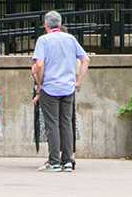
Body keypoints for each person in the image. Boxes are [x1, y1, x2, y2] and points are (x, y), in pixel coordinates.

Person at [32, 11, 90, 172]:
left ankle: (54, 161)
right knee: (66, 123)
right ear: (59, 23)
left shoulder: (43, 40)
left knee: (52, 124)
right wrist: (78, 81)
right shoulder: (70, 38)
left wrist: (39, 83)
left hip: (50, 87)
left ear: (46, 25)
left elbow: (39, 64)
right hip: (68, 86)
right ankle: (68, 160)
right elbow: (85, 59)